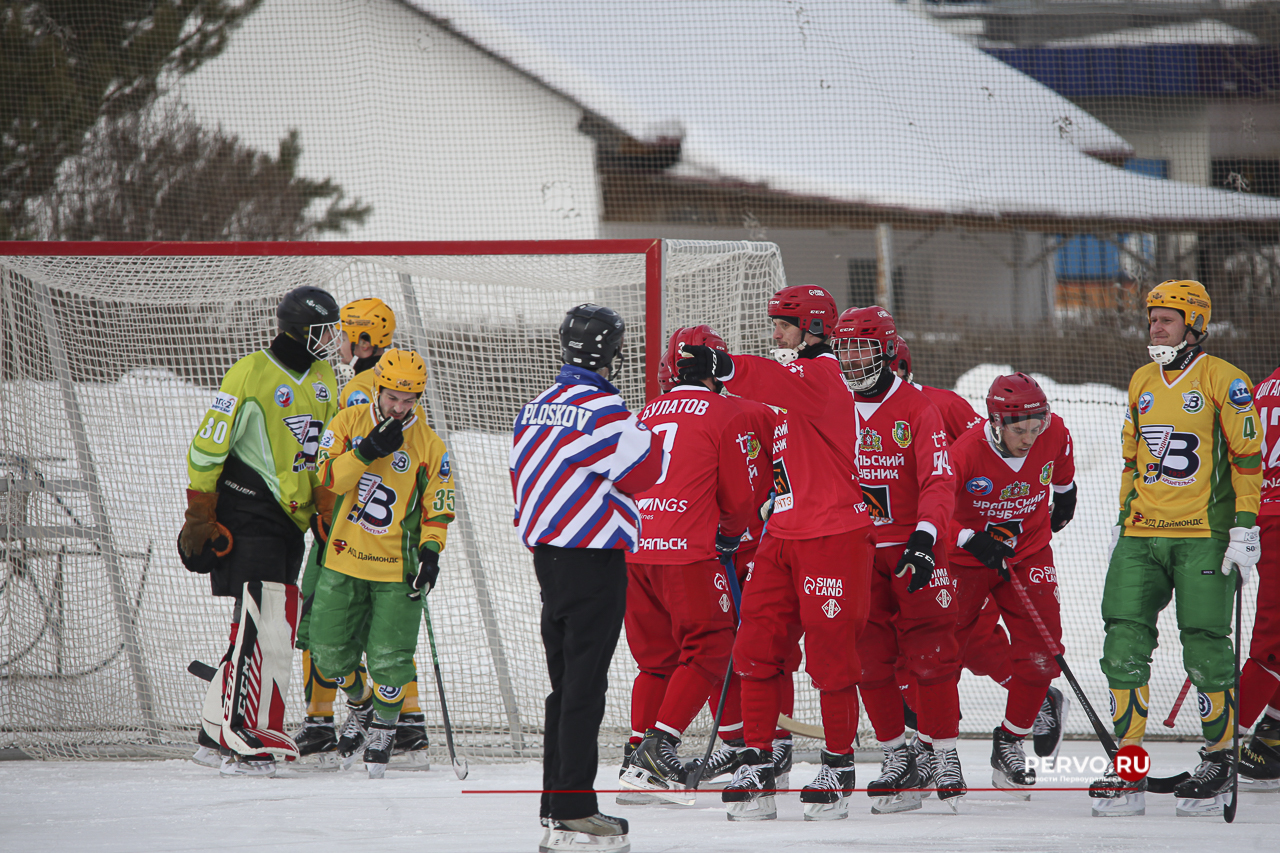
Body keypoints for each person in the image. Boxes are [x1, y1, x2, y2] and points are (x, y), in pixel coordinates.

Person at [677, 285, 874, 822]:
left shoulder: (824, 377)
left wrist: (726, 363)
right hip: (782, 536)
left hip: (833, 535)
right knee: (755, 647)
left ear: (813, 327)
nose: (776, 333)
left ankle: (838, 763)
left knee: (833, 657)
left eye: (785, 324)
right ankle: (759, 759)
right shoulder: (790, 386)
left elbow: (768, 378)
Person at [1091, 280, 1262, 817]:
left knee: (1207, 646)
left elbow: (1247, 460)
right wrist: (1124, 518)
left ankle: (1219, 757)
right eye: (1151, 319)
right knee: (1121, 641)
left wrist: (1244, 526)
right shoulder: (1141, 379)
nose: (1154, 328)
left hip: (1203, 536)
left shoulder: (1224, 379)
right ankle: (1129, 763)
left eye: (1165, 319)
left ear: (1194, 324)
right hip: (1142, 533)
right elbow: (1129, 458)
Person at [511, 304, 664, 853]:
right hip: (593, 559)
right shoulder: (604, 409)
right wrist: (646, 429)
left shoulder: (534, 407)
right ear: (611, 354)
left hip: (549, 558)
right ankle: (575, 809)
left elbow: (523, 480)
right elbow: (647, 472)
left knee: (565, 686)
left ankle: (556, 803)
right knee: (584, 687)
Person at [180, 285, 341, 775]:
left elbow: (324, 451)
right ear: (299, 329)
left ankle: (213, 730)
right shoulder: (250, 371)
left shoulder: (323, 377)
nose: (333, 338)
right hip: (248, 512)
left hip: (291, 521)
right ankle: (242, 736)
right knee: (264, 625)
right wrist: (199, 511)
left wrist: (325, 506)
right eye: (324, 329)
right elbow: (207, 446)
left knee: (264, 622)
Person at [890, 337, 1068, 762]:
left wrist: (1062, 491)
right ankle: (919, 731)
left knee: (968, 640)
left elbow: (987, 453)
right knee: (901, 640)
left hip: (947, 539)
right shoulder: (846, 408)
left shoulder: (940, 405)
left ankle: (1023, 710)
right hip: (903, 538)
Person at [617, 326, 757, 805]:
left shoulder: (642, 413)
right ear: (716, 369)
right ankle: (662, 748)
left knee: (655, 660)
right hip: (688, 552)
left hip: (634, 550)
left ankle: (637, 758)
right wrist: (730, 535)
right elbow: (739, 500)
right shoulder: (725, 412)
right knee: (713, 644)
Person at [831, 307, 963, 814]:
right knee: (866, 658)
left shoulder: (917, 406)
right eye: (845, 347)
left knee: (932, 652)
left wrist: (928, 535)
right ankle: (896, 755)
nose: (852, 357)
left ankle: (945, 754)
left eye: (863, 347)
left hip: (911, 549)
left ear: (886, 349)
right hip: (853, 548)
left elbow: (938, 478)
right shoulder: (831, 401)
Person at [294, 296, 429, 767]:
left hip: (352, 533)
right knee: (365, 631)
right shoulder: (373, 384)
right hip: (359, 530)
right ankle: (400, 719)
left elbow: (343, 472)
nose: (338, 342)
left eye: (346, 333)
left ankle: (330, 721)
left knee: (335, 626)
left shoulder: (366, 393)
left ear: (367, 339)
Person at [308, 349, 454, 778]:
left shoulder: (428, 443)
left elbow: (438, 508)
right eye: (393, 398)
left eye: (410, 400)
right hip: (342, 559)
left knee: (390, 659)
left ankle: (385, 728)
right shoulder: (348, 423)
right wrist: (368, 449)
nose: (400, 408)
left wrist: (431, 551)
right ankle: (360, 704)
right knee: (329, 653)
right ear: (378, 388)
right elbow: (328, 477)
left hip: (396, 568)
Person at [947, 372, 1077, 800]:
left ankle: (1010, 741)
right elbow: (934, 511)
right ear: (996, 422)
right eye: (1019, 430)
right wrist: (970, 538)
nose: (1029, 437)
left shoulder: (1052, 431)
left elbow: (1061, 465)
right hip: (967, 557)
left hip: (1028, 551)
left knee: (1042, 650)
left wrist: (1064, 494)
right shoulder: (965, 452)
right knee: (958, 645)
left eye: (1035, 427)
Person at [1238, 363, 1280, 790]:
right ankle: (1222, 743)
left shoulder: (1259, 387)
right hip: (1274, 518)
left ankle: (1271, 732)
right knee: (1273, 641)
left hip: (1258, 516)